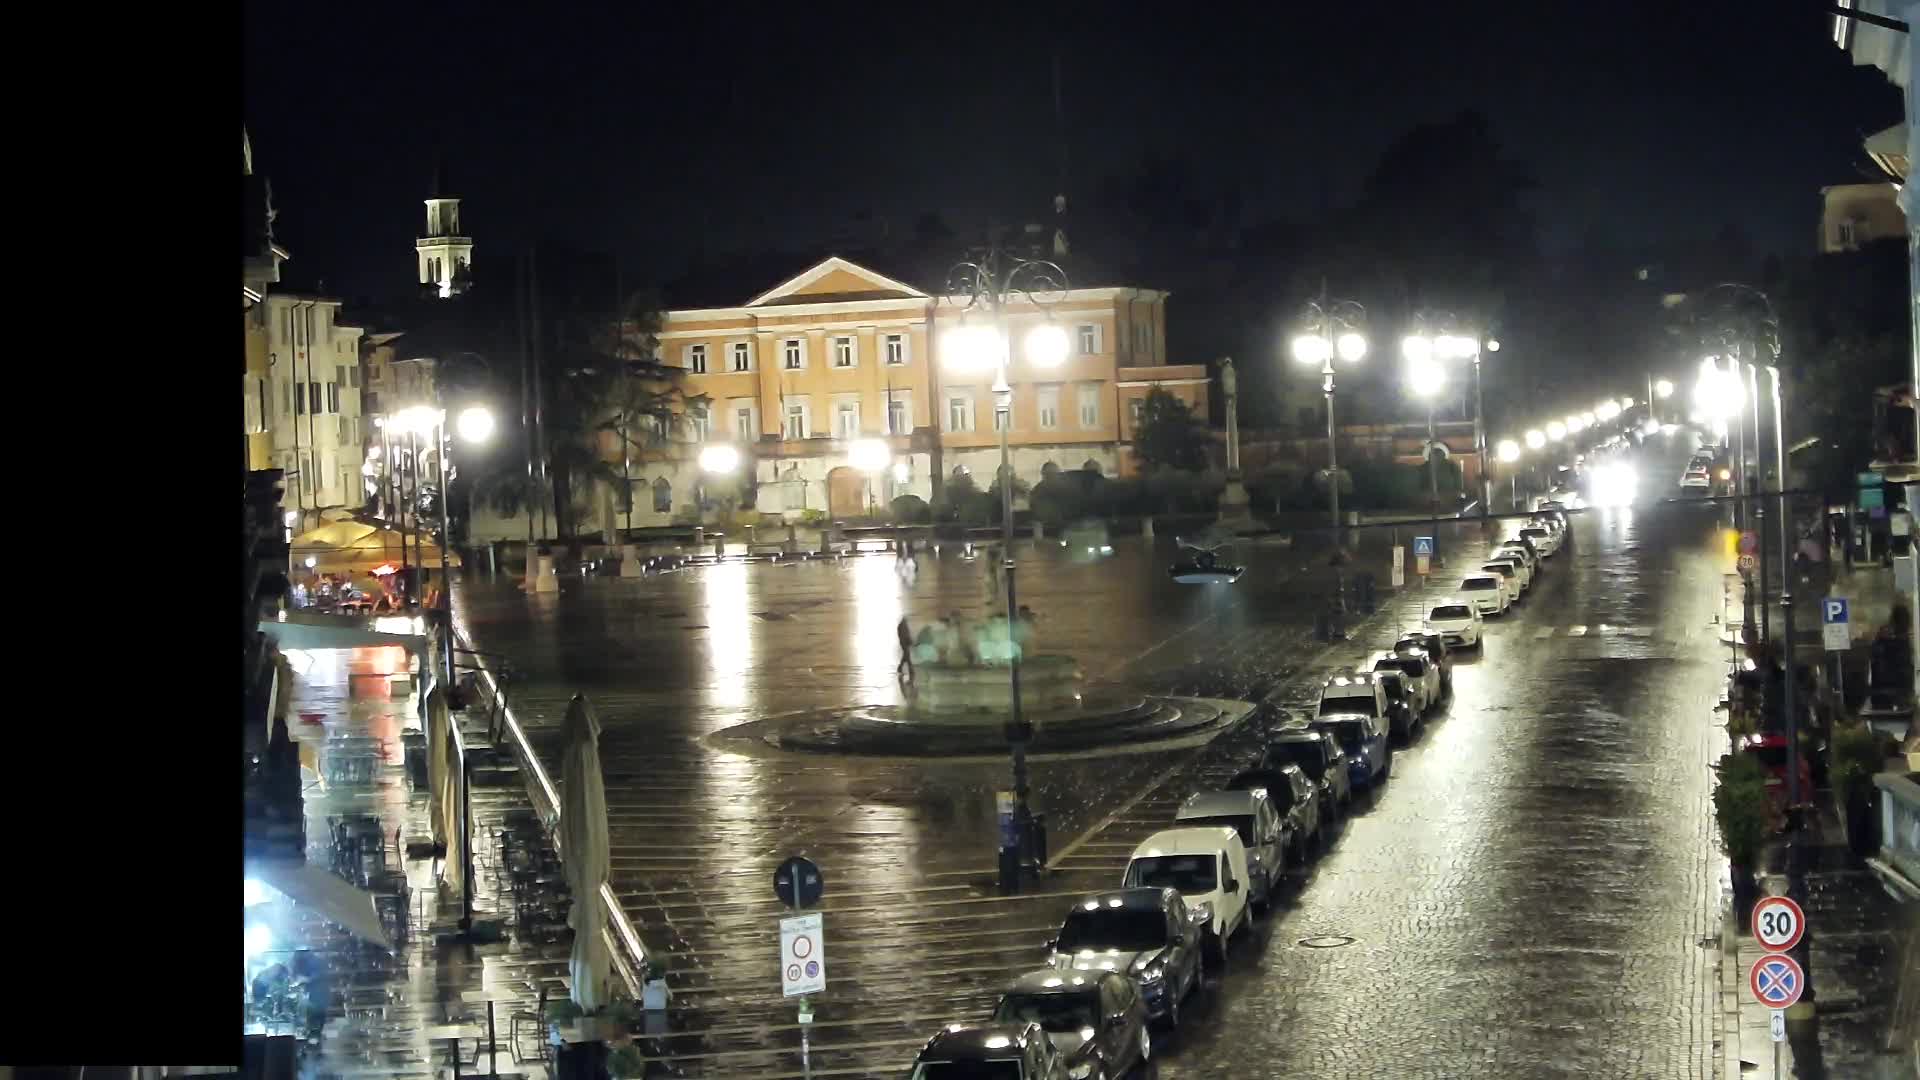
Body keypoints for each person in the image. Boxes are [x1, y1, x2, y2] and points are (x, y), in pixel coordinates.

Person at [896, 616, 915, 683]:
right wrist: (910, 641)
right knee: (908, 657)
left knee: (905, 656)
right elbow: (906, 635)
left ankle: (900, 668)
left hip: (903, 643)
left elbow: (904, 635)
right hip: (905, 643)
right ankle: (911, 671)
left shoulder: (901, 625)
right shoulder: (903, 626)